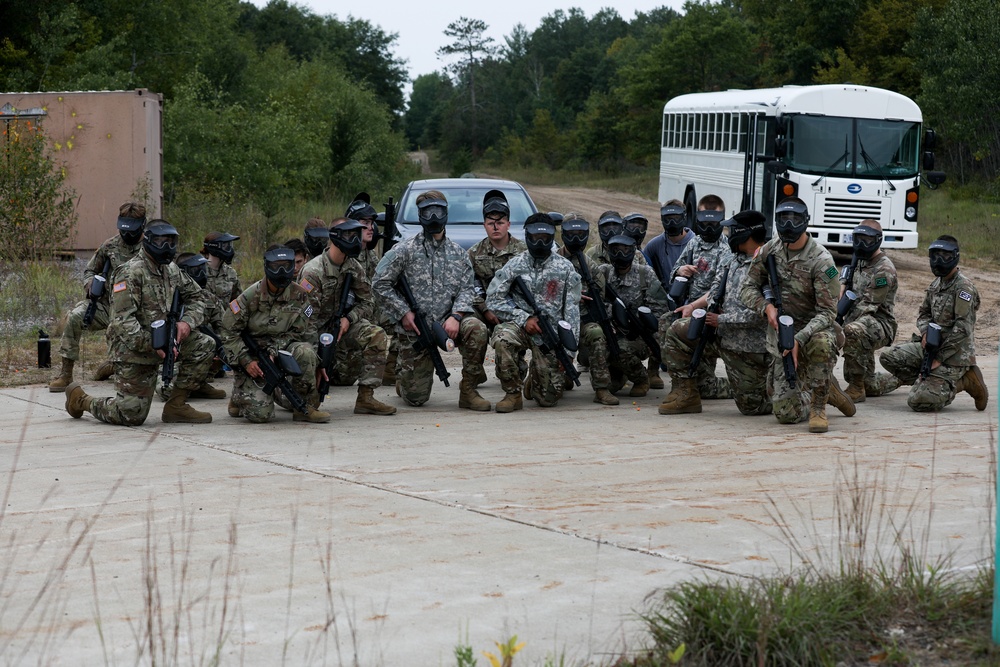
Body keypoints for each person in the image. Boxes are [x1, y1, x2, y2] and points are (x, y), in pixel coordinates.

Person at [64, 221, 216, 425]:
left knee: (204, 344)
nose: (167, 248)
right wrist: (156, 346)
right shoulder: (129, 272)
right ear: (149, 241)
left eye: (172, 242)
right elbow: (123, 323)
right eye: (162, 242)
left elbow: (198, 297)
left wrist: (186, 323)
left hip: (167, 341)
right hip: (132, 350)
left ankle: (176, 405)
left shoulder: (171, 269)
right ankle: (81, 400)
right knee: (130, 415)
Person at [737, 198, 855, 433]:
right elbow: (746, 288)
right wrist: (766, 308)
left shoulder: (822, 261)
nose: (789, 225)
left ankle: (818, 405)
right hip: (781, 333)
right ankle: (822, 387)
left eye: (796, 220)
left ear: (806, 221)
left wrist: (799, 339)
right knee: (785, 413)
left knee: (822, 342)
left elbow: (828, 312)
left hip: (814, 331)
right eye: (783, 219)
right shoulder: (770, 250)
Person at [372, 190, 491, 410]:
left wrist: (456, 316)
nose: (434, 217)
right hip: (417, 329)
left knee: (476, 328)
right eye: (428, 212)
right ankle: (403, 378)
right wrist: (403, 312)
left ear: (446, 213)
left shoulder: (458, 253)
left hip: (449, 323)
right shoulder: (403, 251)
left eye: (438, 211)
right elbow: (379, 284)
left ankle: (469, 390)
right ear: (420, 216)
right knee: (416, 398)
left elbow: (467, 289)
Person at [658, 210, 772, 416]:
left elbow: (763, 315)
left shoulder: (769, 264)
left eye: (733, 230)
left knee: (752, 407)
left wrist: (722, 319)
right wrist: (694, 307)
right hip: (720, 334)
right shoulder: (732, 260)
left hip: (749, 346)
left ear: (745, 234)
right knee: (675, 329)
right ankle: (686, 393)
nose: (728, 234)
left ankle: (798, 388)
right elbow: (715, 292)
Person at [221, 245, 331, 423]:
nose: (281, 271)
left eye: (286, 265)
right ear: (266, 266)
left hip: (283, 349)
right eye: (276, 266)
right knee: (260, 416)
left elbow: (302, 332)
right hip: (254, 357)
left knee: (306, 351)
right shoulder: (249, 297)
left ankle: (304, 407)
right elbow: (228, 331)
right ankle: (239, 395)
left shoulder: (301, 296)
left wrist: (317, 364)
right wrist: (246, 361)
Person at [880, 235, 988, 412]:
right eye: (935, 255)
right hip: (931, 346)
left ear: (955, 256)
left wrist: (939, 358)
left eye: (944, 256)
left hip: (954, 356)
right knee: (888, 357)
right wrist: (924, 333)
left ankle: (966, 381)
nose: (938, 261)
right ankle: (926, 381)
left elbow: (963, 329)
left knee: (918, 402)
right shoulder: (936, 283)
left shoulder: (963, 288)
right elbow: (924, 313)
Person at [299, 218, 396, 416]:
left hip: (340, 328)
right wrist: (318, 361)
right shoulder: (313, 272)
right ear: (335, 238)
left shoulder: (353, 266)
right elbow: (305, 321)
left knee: (376, 334)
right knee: (308, 401)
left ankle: (366, 398)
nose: (356, 240)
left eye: (356, 236)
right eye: (350, 236)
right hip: (311, 334)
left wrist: (349, 319)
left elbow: (367, 302)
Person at [486, 213, 582, 412]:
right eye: (536, 237)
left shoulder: (565, 268)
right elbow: (493, 299)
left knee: (547, 399)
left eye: (545, 238)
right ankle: (512, 394)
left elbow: (572, 313)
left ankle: (536, 377)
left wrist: (570, 352)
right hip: (520, 328)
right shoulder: (515, 265)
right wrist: (523, 319)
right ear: (527, 236)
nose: (540, 242)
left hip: (551, 335)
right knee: (503, 338)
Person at [49, 202, 146, 391]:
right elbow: (90, 270)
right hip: (107, 306)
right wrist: (91, 283)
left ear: (142, 225)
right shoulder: (109, 246)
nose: (126, 235)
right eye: (123, 230)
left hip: (139, 311)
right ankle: (66, 374)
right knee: (75, 316)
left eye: (131, 231)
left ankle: (114, 365)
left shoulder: (151, 248)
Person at [665, 194, 733, 399]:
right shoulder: (694, 243)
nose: (709, 229)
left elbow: (717, 291)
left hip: (711, 313)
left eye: (714, 223)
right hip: (691, 308)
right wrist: (681, 271)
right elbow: (675, 270)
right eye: (705, 223)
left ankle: (737, 385)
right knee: (665, 323)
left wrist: (693, 307)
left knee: (706, 388)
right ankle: (682, 380)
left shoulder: (726, 248)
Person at [597, 234, 670, 397]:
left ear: (633, 252)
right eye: (615, 251)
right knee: (599, 348)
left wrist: (638, 320)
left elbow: (660, 309)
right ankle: (617, 375)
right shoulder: (604, 273)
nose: (620, 255)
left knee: (621, 350)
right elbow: (595, 304)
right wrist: (614, 315)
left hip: (639, 335)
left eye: (625, 250)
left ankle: (641, 378)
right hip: (612, 331)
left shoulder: (645, 274)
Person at [837, 219, 900, 402]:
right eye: (858, 239)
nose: (861, 244)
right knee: (871, 386)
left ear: (878, 240)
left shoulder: (884, 269)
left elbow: (866, 307)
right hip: (862, 321)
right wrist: (842, 283)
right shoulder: (859, 260)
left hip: (880, 324)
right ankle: (901, 376)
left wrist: (837, 326)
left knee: (852, 330)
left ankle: (856, 387)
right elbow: (845, 278)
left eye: (867, 240)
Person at [557, 215, 617, 405]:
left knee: (597, 333)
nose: (576, 239)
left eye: (580, 234)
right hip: (556, 322)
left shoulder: (591, 267)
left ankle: (601, 388)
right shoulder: (552, 261)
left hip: (583, 320)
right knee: (546, 393)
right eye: (572, 234)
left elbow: (598, 297)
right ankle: (544, 377)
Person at [642, 199, 694, 389]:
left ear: (684, 218)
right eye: (667, 219)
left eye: (676, 218)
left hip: (691, 301)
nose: (672, 223)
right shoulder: (655, 245)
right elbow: (646, 271)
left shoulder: (696, 243)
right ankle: (653, 369)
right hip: (665, 301)